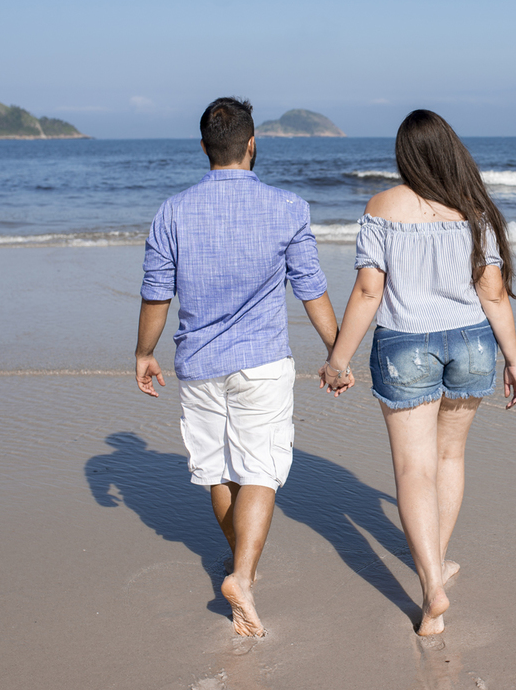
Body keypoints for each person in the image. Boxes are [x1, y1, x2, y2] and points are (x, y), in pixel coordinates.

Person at [135, 97, 340, 637]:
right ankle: (242, 576)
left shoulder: (172, 212)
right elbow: (310, 288)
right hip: (263, 361)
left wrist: (143, 352)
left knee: (220, 469)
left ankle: (241, 569)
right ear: (252, 144)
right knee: (262, 470)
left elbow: (157, 295)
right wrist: (336, 351)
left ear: (204, 148)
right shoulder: (288, 207)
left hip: (198, 363)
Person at [319, 109, 516, 637]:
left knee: (414, 468)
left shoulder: (382, 207)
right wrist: (514, 360)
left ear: (405, 155)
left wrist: (338, 358)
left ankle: (431, 583)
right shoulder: (475, 210)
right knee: (449, 455)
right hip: (473, 343)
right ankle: (439, 565)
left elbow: (369, 291)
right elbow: (493, 294)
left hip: (404, 346)